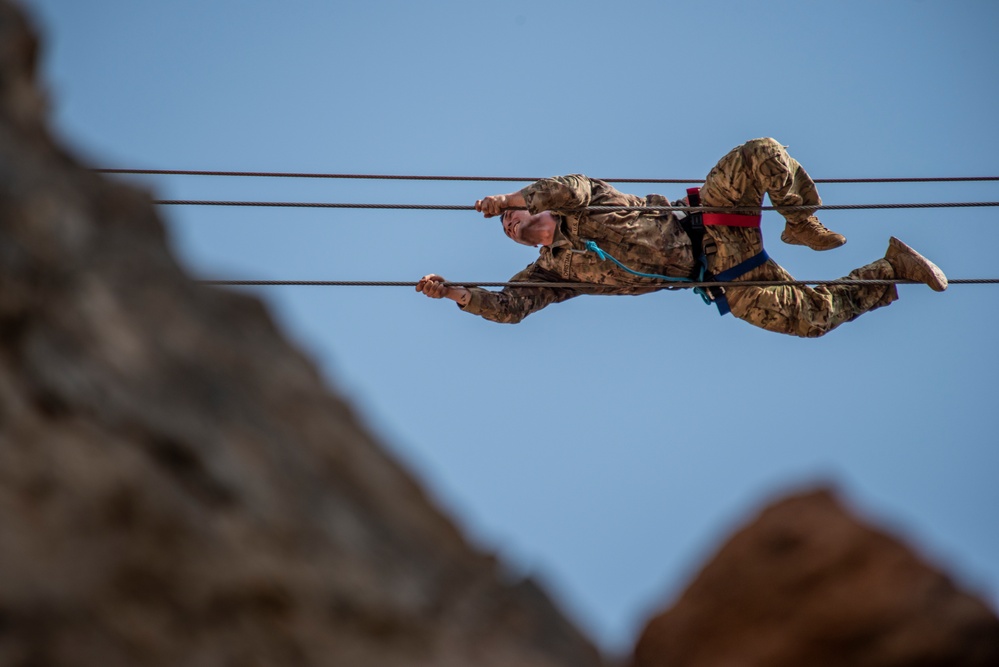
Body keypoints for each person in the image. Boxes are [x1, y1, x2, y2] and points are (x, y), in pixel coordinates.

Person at [415, 138, 947, 338]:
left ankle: (799, 221)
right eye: (507, 229)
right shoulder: (551, 271)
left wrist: (511, 198)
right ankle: (893, 269)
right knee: (808, 319)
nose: (510, 224)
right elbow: (510, 306)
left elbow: (567, 184)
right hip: (719, 272)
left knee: (761, 151)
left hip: (710, 218)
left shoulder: (581, 197)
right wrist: (456, 294)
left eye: (515, 215)